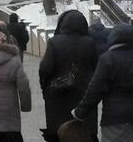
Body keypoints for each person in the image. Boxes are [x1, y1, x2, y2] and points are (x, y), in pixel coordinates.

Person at [71, 24, 133, 142]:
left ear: (113, 38)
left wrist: (80, 112)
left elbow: (95, 90)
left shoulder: (107, 59)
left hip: (114, 119)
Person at [38, 10, 99, 142]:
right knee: (83, 133)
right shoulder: (90, 43)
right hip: (83, 96)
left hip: (58, 97)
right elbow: (96, 69)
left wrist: (45, 88)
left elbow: (45, 69)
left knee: (60, 133)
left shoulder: (54, 42)